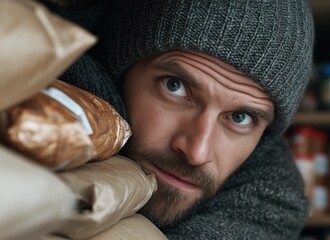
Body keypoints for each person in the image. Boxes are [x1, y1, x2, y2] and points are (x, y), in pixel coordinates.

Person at [42, 0, 314, 238]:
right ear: (116, 73)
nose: (197, 151)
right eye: (175, 86)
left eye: (240, 118)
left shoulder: (269, 201)